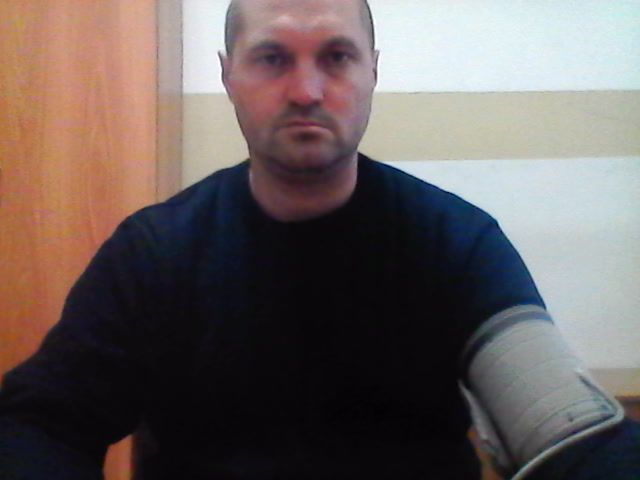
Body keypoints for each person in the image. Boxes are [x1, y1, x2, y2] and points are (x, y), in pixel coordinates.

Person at [1, 0, 639, 479]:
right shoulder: (153, 254)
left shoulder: (454, 241)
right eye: (272, 58)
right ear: (228, 75)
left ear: (372, 71)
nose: (306, 91)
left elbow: (566, 429)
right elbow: (42, 425)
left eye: (336, 57)